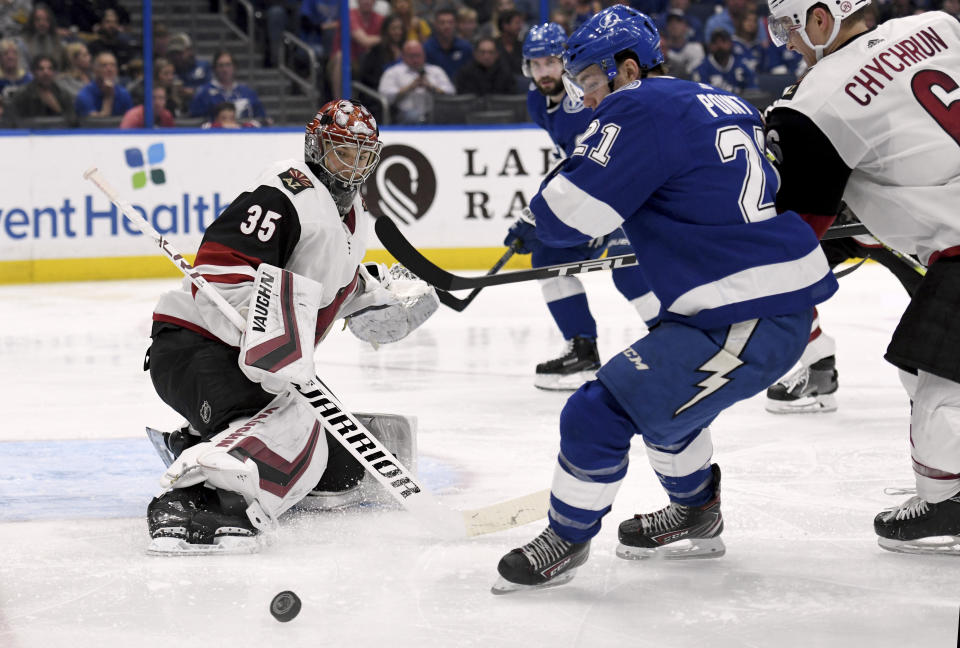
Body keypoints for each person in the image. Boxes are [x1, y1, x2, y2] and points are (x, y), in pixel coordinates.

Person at [491, 5, 838, 593]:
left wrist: (540, 218)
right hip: (758, 301)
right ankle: (697, 512)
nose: (590, 99)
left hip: (743, 312)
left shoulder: (637, 106)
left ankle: (566, 539)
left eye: (594, 82)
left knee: (594, 413)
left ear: (628, 69)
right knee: (667, 413)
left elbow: (577, 215)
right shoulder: (720, 99)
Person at [145, 99, 438, 554]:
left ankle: (203, 439)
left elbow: (319, 290)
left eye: (363, 155)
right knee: (296, 428)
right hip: (196, 348)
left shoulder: (352, 216)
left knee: (344, 470)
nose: (353, 166)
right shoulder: (285, 193)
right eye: (343, 151)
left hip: (245, 366)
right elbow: (223, 274)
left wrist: (377, 299)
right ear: (316, 148)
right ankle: (193, 499)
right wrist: (274, 341)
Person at [763, 0, 960, 553]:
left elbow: (802, 228)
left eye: (789, 28)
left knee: (938, 384)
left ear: (819, 18)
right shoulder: (938, 25)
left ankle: (951, 504)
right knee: (922, 360)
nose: (789, 43)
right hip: (947, 244)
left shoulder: (813, 103)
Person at [505, 22, 660, 390]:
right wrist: (541, 214)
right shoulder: (536, 102)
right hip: (599, 191)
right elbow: (571, 163)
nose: (544, 72)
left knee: (628, 269)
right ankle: (582, 349)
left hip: (632, 189)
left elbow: (592, 159)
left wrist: (537, 211)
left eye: (550, 63)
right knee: (547, 256)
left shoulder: (587, 97)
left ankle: (676, 344)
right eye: (535, 64)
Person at [378, 39, 454, 123]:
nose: (415, 60)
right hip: (402, 114)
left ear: (424, 55)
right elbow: (385, 96)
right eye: (411, 56)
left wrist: (431, 87)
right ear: (403, 56)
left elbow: (451, 92)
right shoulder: (393, 72)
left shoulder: (435, 71)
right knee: (413, 116)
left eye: (418, 55)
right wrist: (410, 87)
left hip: (434, 113)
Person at [189, 50, 268, 123]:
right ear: (215, 68)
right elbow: (196, 122)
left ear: (235, 67)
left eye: (228, 65)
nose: (224, 69)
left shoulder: (248, 93)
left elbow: (261, 119)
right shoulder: (204, 93)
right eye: (221, 65)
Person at [10, 54, 76, 125]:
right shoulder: (22, 94)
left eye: (50, 69)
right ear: (34, 72)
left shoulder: (63, 94)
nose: (46, 73)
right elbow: (14, 122)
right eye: (41, 69)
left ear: (55, 72)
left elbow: (73, 121)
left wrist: (58, 109)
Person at [691, 28, 757, 93]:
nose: (719, 45)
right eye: (715, 42)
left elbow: (752, 92)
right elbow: (698, 95)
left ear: (730, 44)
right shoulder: (702, 68)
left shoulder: (742, 65)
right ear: (710, 46)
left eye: (723, 41)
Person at [74, 50, 132, 118]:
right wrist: (109, 97)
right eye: (104, 65)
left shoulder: (123, 93)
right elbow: (96, 125)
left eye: (113, 65)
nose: (109, 69)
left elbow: (131, 123)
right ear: (95, 70)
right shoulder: (84, 95)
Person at [424, 6, 473, 81]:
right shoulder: (426, 48)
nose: (447, 26)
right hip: (434, 90)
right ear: (435, 24)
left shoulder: (466, 47)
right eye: (442, 23)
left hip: (461, 90)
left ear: (455, 24)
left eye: (450, 22)